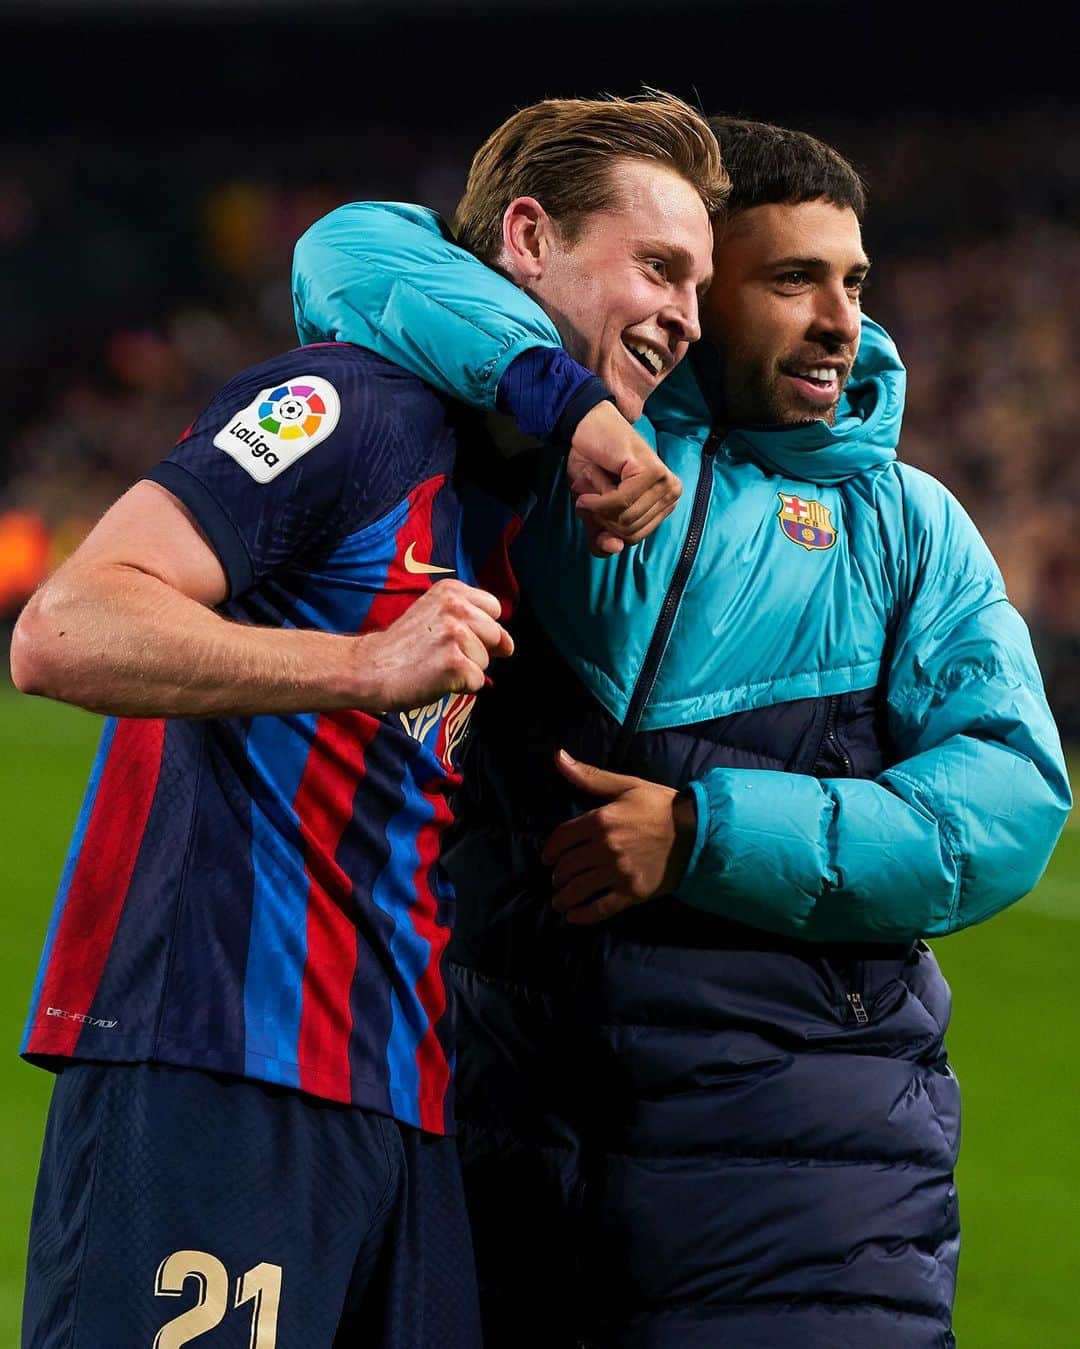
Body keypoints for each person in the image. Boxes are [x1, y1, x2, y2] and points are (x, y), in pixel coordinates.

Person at [291, 116, 1071, 1348]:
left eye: (853, 280)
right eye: (789, 280)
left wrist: (707, 827)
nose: (840, 321)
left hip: (806, 1194)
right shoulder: (560, 448)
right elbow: (351, 250)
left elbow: (1011, 801)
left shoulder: (909, 523)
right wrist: (565, 403)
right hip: (515, 1149)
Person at [9, 92, 723, 1349]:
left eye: (702, 287)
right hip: (217, 1067)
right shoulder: (343, 407)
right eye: (659, 267)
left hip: (401, 1099)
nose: (684, 316)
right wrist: (361, 662)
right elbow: (65, 624)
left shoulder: (512, 507)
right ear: (526, 238)